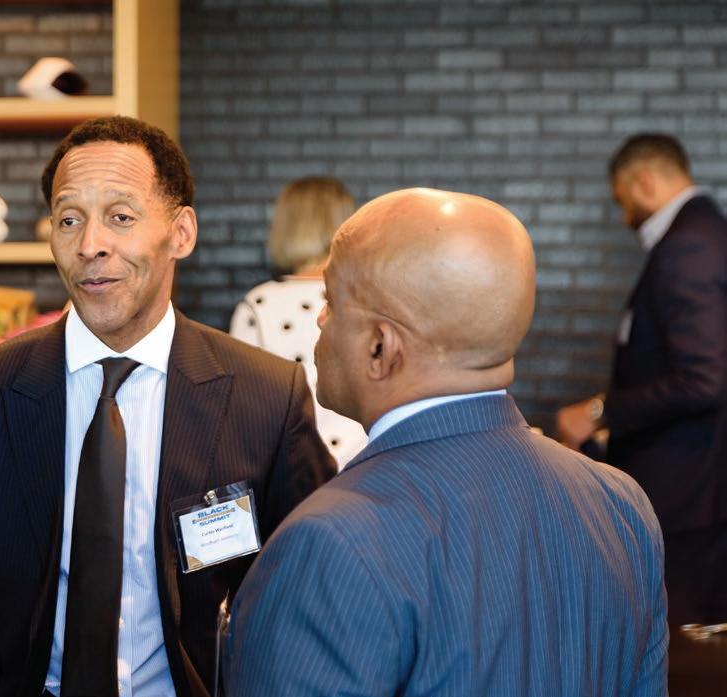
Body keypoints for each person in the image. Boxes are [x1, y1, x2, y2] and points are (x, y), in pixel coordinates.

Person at [0, 116, 335, 697]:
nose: (90, 245)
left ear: (181, 233)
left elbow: (306, 581)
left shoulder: (266, 396)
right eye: (69, 219)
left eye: (120, 217)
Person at [226, 188, 667, 696]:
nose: (320, 319)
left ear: (380, 346)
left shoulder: (327, 542)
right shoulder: (620, 503)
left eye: (331, 300)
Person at [556, 133, 727, 625]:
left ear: (645, 181)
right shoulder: (707, 231)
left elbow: (704, 378)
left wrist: (600, 411)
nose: (625, 215)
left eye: (623, 200)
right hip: (699, 483)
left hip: (688, 491)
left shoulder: (688, 245)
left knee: (677, 639)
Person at [230, 176, 368, 466]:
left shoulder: (259, 304)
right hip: (369, 465)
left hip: (293, 471)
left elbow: (242, 410)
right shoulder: (370, 295)